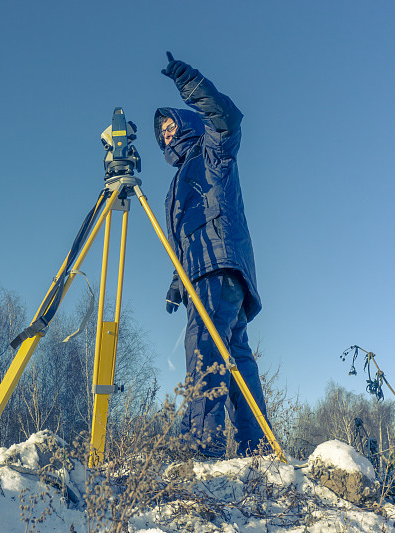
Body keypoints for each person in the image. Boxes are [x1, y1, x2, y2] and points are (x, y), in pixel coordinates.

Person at [156, 51, 269, 457]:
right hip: (210, 271)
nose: (167, 135)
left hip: (217, 268)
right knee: (235, 354)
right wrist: (176, 281)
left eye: (170, 126)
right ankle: (259, 449)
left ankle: (201, 448)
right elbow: (185, 239)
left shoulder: (211, 151)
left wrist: (191, 85)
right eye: (162, 133)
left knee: (203, 346)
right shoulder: (177, 183)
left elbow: (227, 119)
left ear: (185, 122)